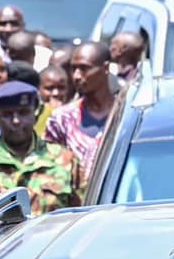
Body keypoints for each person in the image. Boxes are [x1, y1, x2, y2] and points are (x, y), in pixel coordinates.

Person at [0, 80, 79, 213]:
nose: (16, 121)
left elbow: (82, 212)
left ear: (36, 113)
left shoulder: (64, 159)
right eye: (7, 115)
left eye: (23, 112)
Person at [44, 42, 118, 174]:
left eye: (84, 68)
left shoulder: (125, 115)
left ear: (105, 68)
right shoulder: (61, 119)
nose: (76, 76)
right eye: (74, 69)